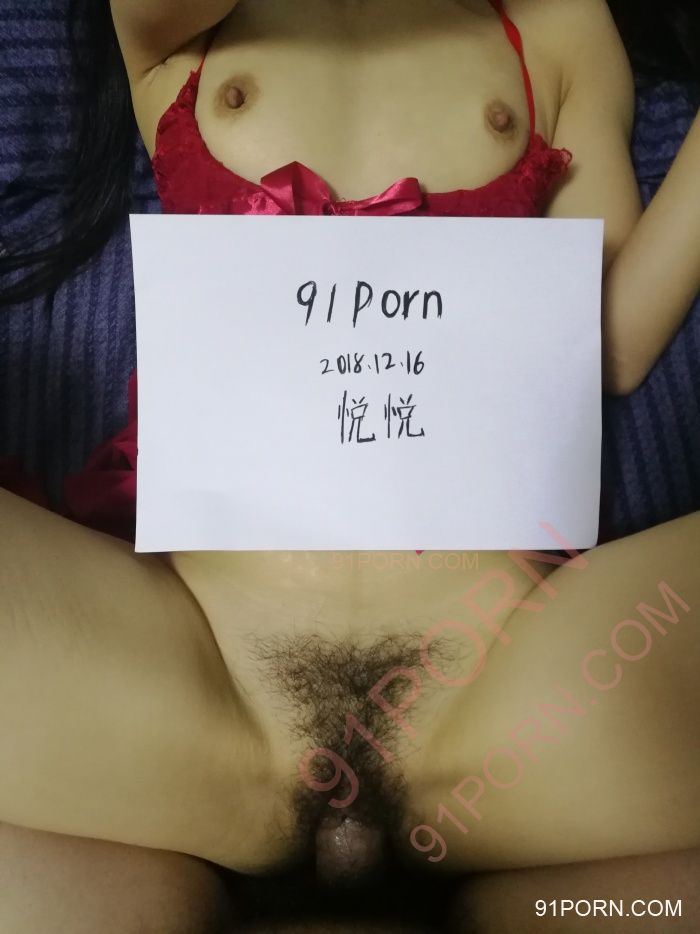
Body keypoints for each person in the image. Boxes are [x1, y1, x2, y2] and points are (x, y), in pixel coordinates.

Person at [0, 0, 699, 931]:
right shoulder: (183, 23)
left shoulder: (562, 22)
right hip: (193, 674)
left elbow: (605, 344)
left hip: (511, 689)